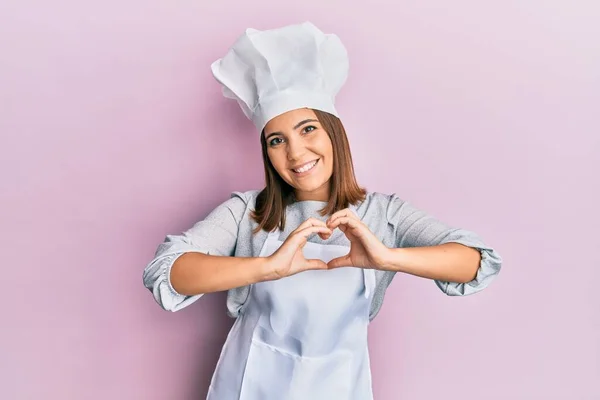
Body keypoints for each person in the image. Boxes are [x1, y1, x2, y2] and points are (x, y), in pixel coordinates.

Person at [143, 21, 502, 400]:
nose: (296, 153)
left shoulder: (384, 214)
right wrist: (269, 267)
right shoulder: (246, 213)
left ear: (334, 132)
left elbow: (477, 262)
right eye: (277, 141)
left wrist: (387, 257)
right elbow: (167, 270)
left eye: (308, 129)